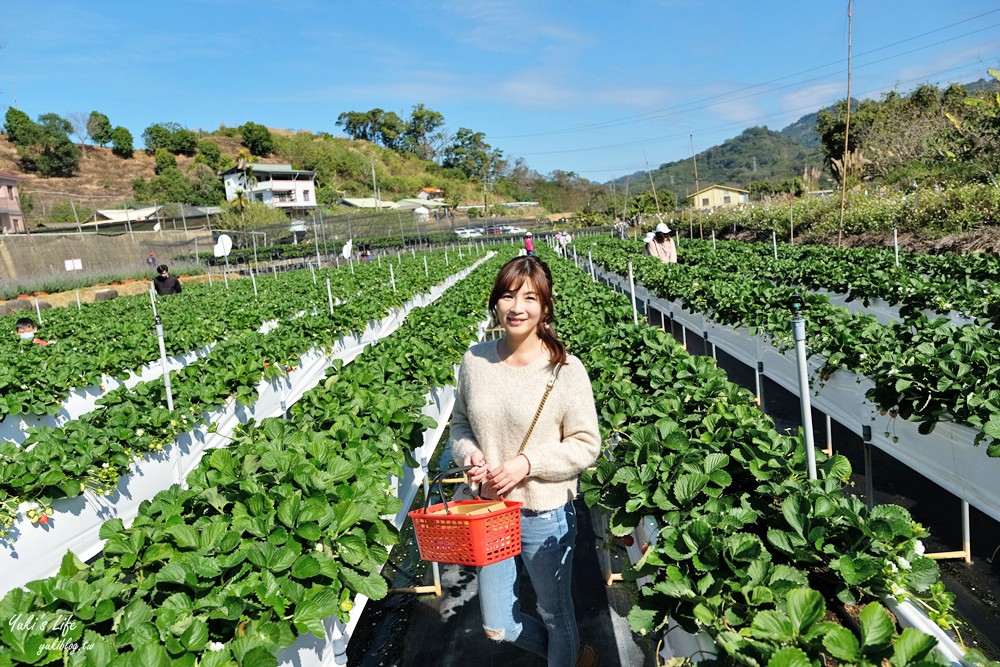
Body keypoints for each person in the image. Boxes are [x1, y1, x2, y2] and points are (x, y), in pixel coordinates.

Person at [450, 256, 601, 667]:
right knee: (497, 625)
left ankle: (566, 658)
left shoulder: (565, 369)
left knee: (555, 614)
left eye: (530, 297)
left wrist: (526, 464)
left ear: (545, 307)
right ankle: (574, 657)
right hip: (488, 509)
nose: (517, 307)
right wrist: (471, 457)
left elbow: (587, 445)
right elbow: (460, 425)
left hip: (545, 511)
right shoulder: (475, 361)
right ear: (495, 303)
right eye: (508, 295)